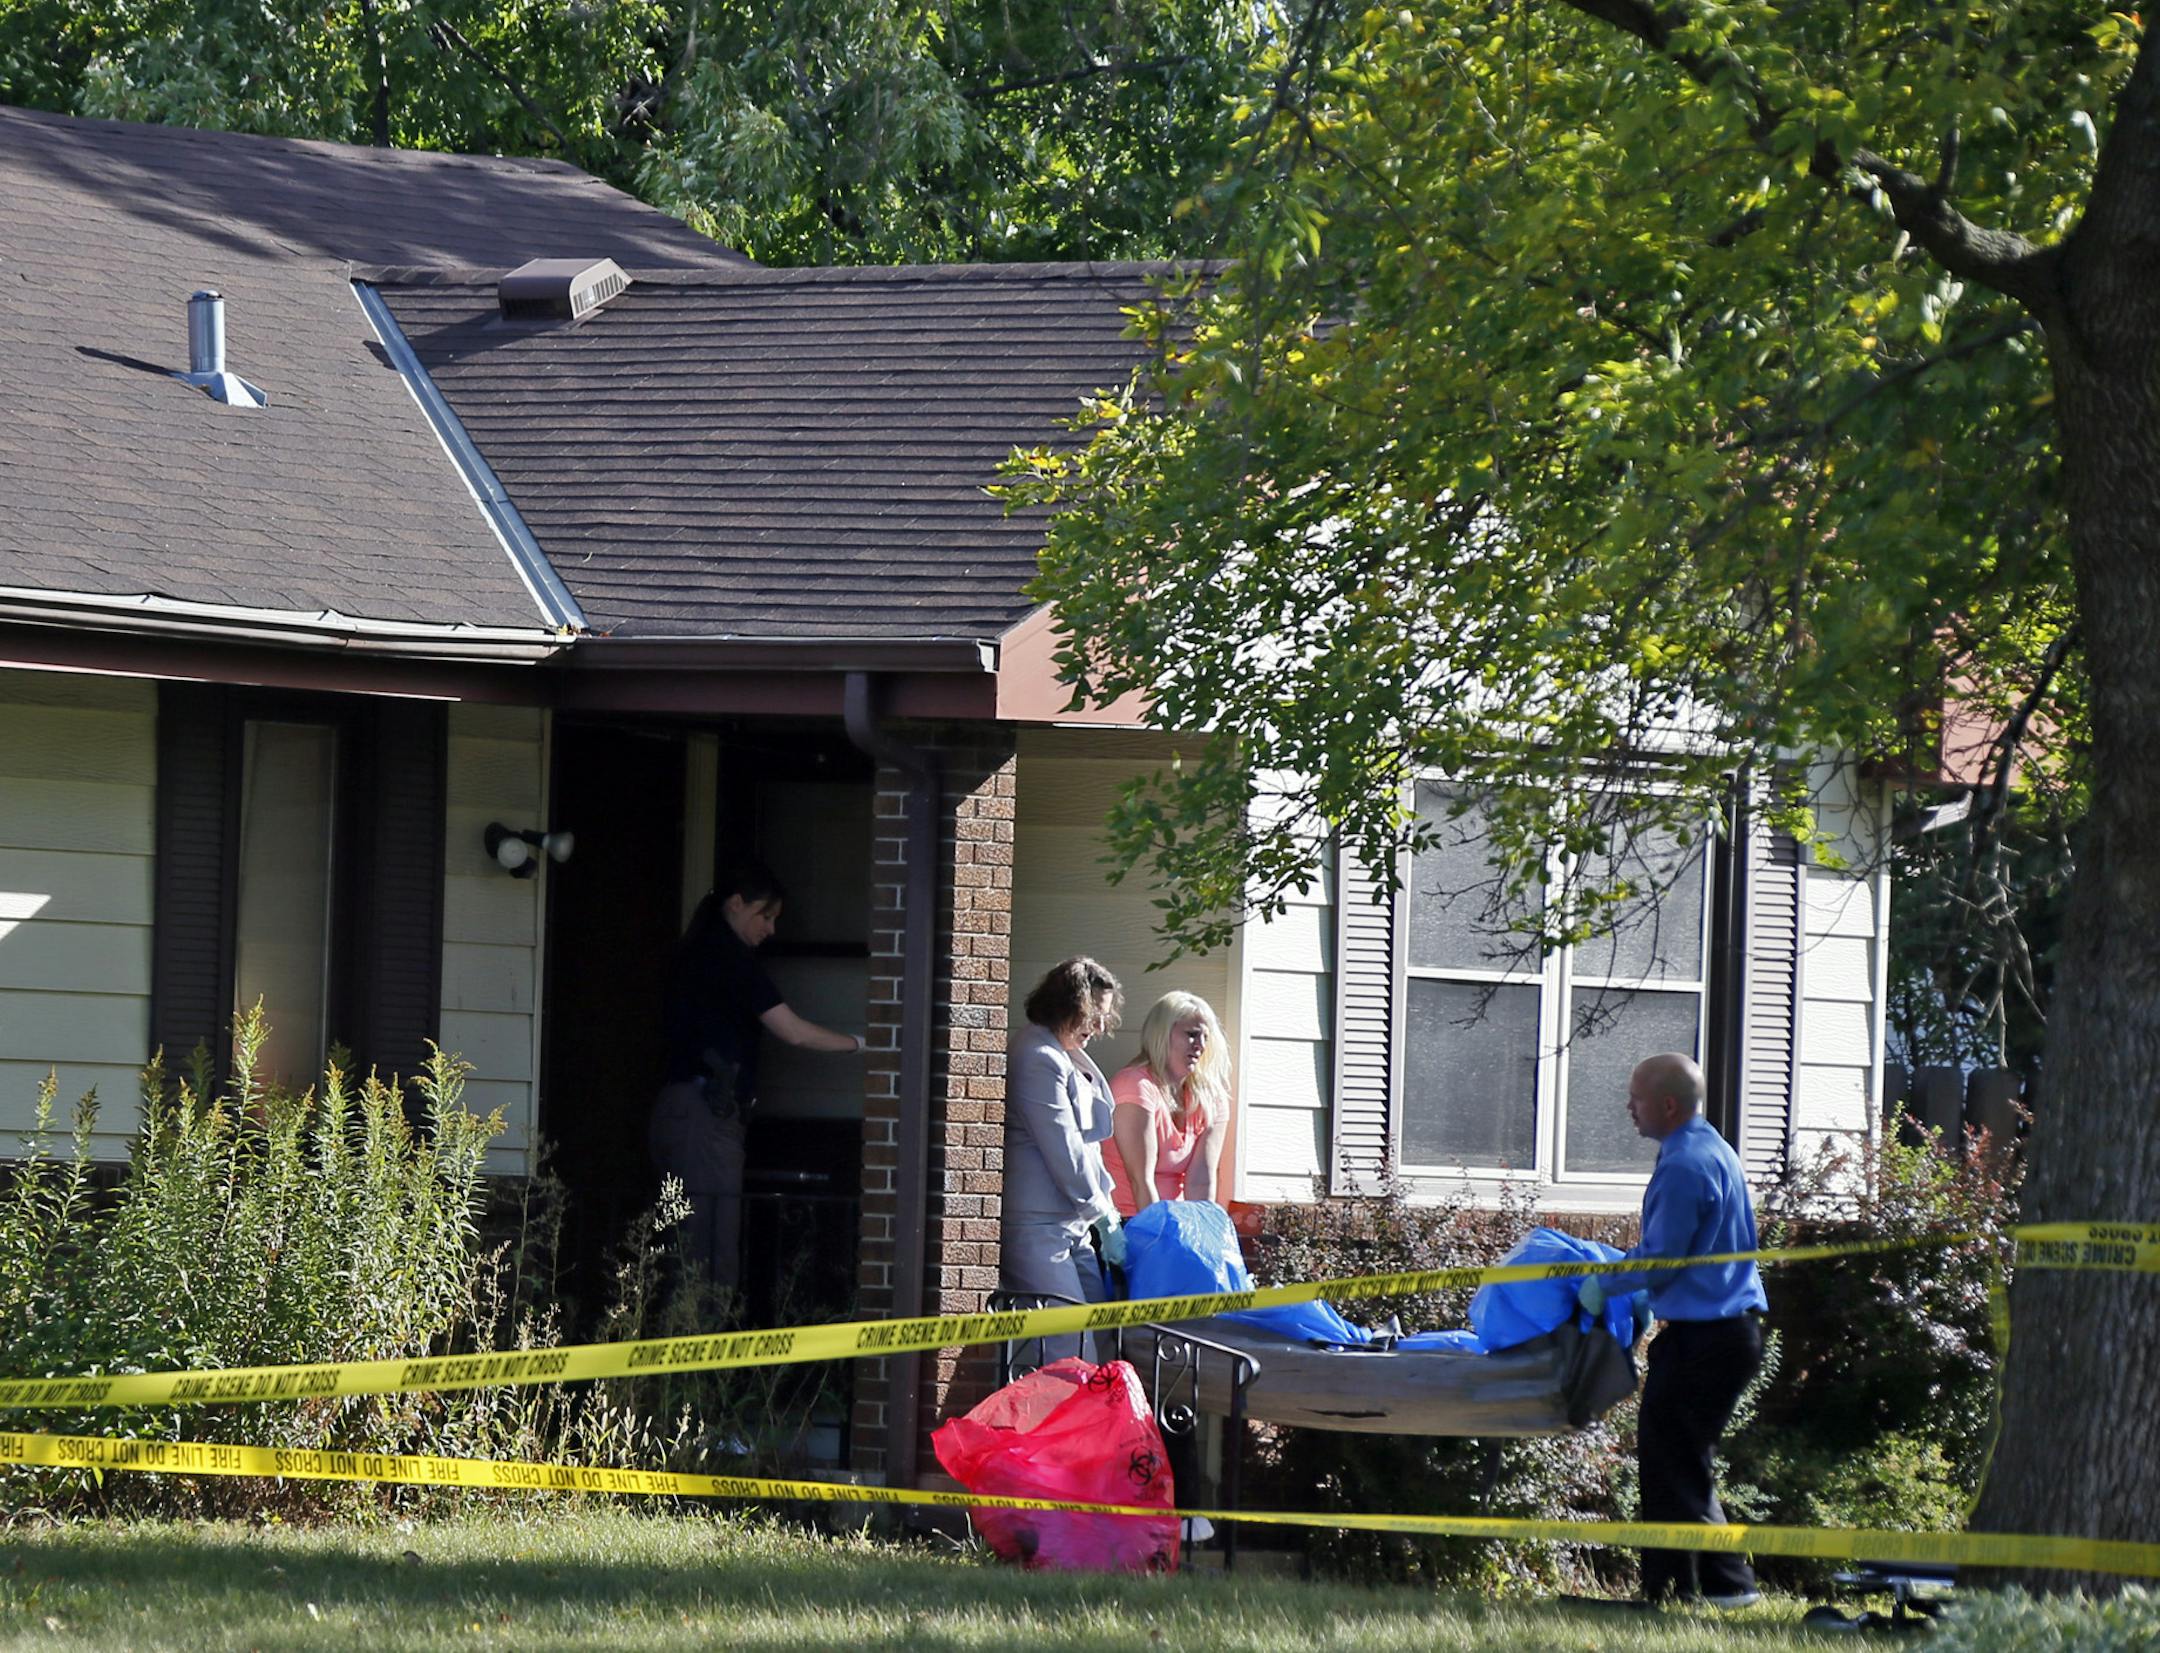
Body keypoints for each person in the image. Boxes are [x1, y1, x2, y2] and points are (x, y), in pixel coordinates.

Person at [1580, 1052, 1769, 1609]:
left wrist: (1605, 1284)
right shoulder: (1712, 1147)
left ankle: (1701, 1588)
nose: (1628, 1107)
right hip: (1720, 1332)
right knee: (1680, 1458)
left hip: (1707, 1337)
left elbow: (1662, 1258)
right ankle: (1705, 1587)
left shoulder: (1685, 1163)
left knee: (1672, 1461)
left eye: (1635, 1097)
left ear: (1666, 1104)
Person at [650, 863, 865, 1299]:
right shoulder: (726, 957)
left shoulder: (698, 952)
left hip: (691, 1111)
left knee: (694, 1245)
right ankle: (700, 1359)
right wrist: (862, 1044)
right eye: (764, 916)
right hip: (703, 1115)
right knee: (708, 1253)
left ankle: (691, 1351)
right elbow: (793, 1031)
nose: (770, 929)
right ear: (735, 904)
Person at [999, 956, 1125, 1360]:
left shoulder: (1061, 1051)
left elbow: (1089, 1144)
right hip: (1038, 1227)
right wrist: (1101, 1211)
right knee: (1069, 1348)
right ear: (1069, 1005)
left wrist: (1104, 1212)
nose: (1101, 1028)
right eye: (1094, 1015)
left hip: (1071, 1223)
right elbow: (1066, 1149)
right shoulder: (1039, 1056)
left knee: (1103, 1338)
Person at [1105, 991, 1231, 1216]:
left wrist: (1200, 1236)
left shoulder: (1210, 1097)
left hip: (1176, 1223)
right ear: (1161, 1035)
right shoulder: (1135, 1085)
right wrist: (1159, 1240)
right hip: (1128, 1221)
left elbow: (1201, 1182)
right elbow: (1140, 1181)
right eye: (1192, 1035)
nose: (1200, 1045)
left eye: (1206, 1037)